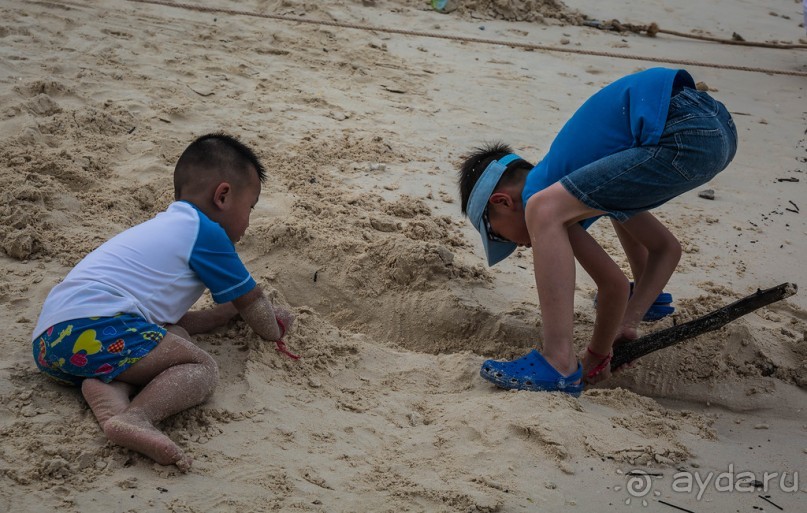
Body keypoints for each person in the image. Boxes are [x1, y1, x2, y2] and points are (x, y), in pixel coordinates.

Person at [458, 68, 737, 396]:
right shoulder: (583, 175)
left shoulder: (538, 194)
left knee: (543, 211)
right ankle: (649, 297)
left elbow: (613, 286)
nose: (523, 247)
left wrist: (597, 354)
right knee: (615, 204)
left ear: (503, 202)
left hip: (677, 126)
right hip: (717, 127)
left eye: (503, 239)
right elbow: (666, 248)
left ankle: (558, 362)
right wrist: (630, 318)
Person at [31, 133, 298, 471]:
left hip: (52, 342)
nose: (248, 222)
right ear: (223, 196)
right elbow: (257, 308)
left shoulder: (163, 229)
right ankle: (137, 417)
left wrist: (221, 315)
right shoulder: (207, 233)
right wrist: (275, 326)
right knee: (201, 367)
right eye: (250, 208)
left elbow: (175, 321)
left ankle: (107, 385)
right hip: (97, 327)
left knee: (175, 336)